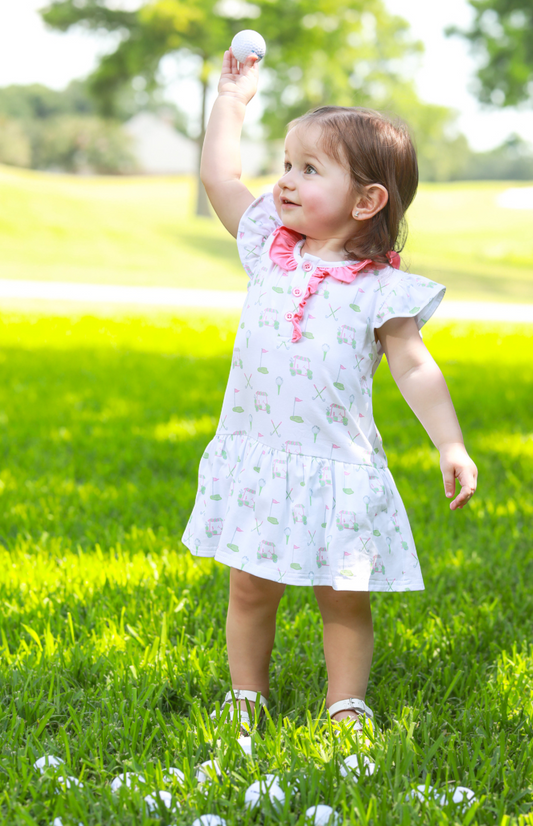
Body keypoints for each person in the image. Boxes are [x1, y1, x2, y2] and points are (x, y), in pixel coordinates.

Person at [181, 47, 478, 742]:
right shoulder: (267, 245)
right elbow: (220, 176)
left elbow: (414, 366)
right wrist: (231, 100)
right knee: (249, 587)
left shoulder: (381, 288)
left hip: (336, 469)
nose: (285, 182)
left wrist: (451, 442)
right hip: (261, 456)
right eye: (287, 164)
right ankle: (246, 696)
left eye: (309, 170)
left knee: (343, 595)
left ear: (367, 199)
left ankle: (345, 704)